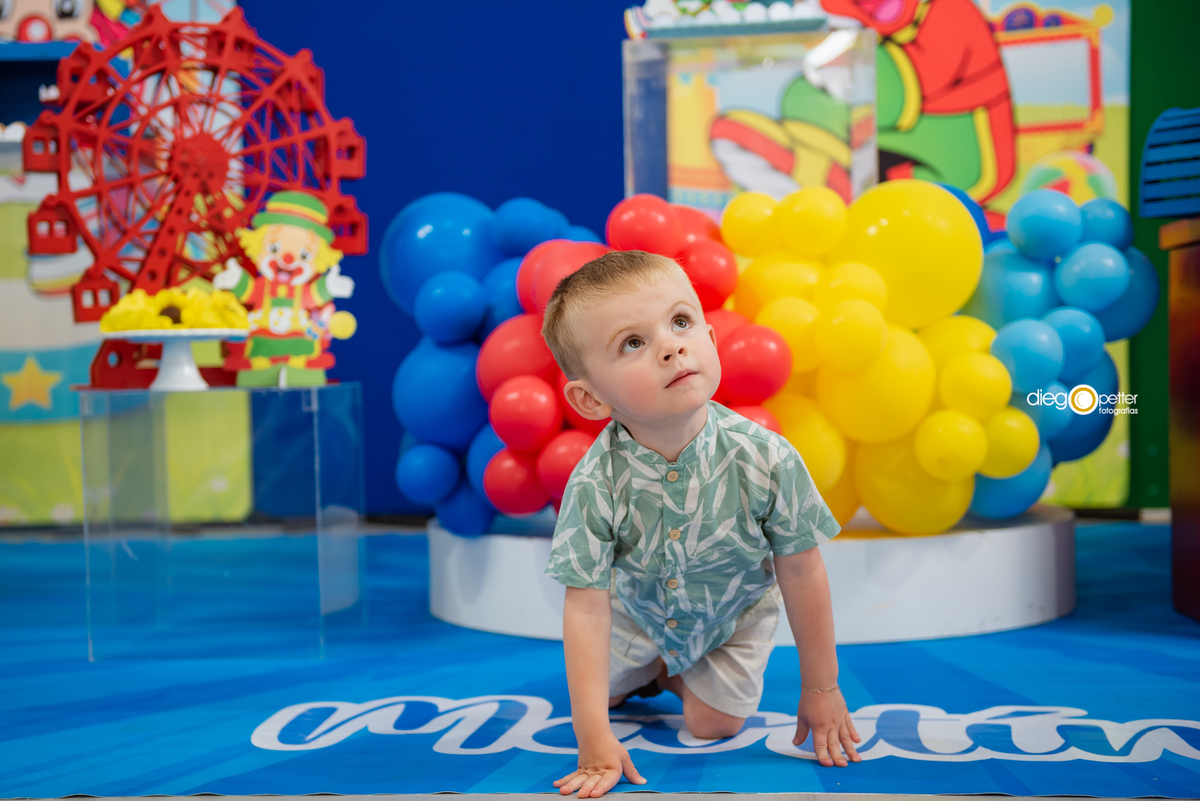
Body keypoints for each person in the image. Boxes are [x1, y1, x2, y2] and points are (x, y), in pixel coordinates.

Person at [541, 250, 860, 798]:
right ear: (591, 398)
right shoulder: (596, 481)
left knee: (714, 725)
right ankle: (649, 669)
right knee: (601, 696)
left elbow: (803, 571)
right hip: (635, 612)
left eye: (681, 322)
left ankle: (668, 673)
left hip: (732, 617)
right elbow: (586, 602)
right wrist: (591, 734)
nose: (671, 346)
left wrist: (821, 687)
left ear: (711, 339)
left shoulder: (767, 458)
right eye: (633, 343)